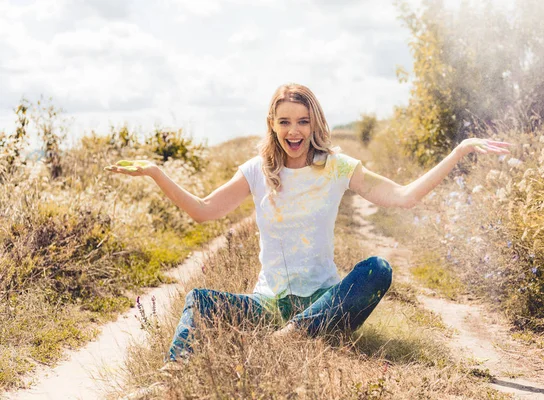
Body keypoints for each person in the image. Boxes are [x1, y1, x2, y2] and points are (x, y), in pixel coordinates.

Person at [104, 83, 511, 363]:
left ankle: (293, 337)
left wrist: (460, 150)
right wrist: (158, 174)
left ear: (314, 123)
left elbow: (404, 197)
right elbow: (204, 210)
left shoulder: (337, 168)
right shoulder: (255, 171)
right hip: (267, 306)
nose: (293, 130)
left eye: (302, 121)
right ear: (273, 125)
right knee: (200, 301)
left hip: (324, 305)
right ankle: (171, 377)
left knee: (377, 270)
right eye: (284, 122)